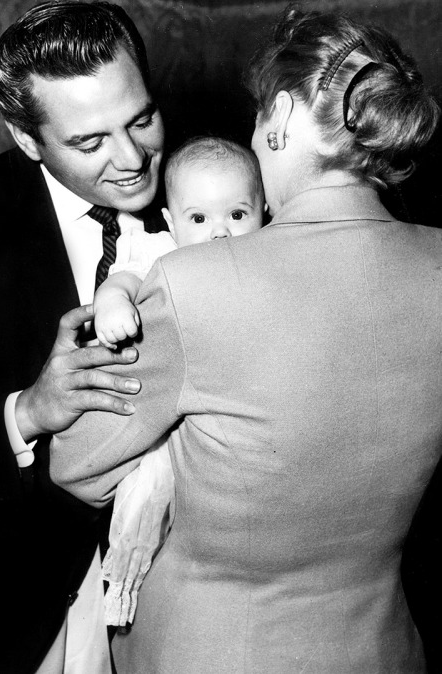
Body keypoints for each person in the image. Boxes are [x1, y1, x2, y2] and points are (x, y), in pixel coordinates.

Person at [51, 6, 442, 672]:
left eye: (261, 118)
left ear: (284, 116)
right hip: (381, 650)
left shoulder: (194, 282)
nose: (256, 139)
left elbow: (77, 463)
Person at [0, 2, 168, 673]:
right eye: (90, 141)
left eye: (141, 119)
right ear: (25, 136)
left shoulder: (218, 195)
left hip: (182, 612)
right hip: (8, 620)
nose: (132, 159)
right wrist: (26, 413)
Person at [95, 136, 265, 628]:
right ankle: (125, 586)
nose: (219, 234)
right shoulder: (158, 249)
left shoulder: (266, 257)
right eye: (199, 219)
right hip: (170, 416)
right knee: (151, 485)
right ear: (170, 223)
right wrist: (113, 305)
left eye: (237, 215)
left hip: (236, 411)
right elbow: (123, 278)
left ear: (265, 211)